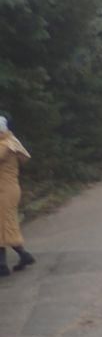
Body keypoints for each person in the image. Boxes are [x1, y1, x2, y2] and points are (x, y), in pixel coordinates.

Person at [0, 115, 35, 277]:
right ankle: (21, 256)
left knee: (4, 225)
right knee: (5, 224)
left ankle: (4, 265)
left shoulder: (5, 145)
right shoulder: (11, 141)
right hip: (8, 189)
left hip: (5, 190)